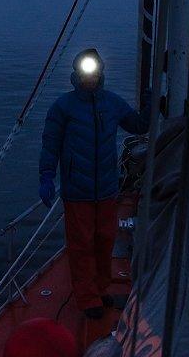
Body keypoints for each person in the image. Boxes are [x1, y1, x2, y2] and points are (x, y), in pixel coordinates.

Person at [38, 48, 147, 319]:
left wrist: (151, 101)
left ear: (100, 72)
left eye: (94, 71)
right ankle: (87, 298)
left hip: (107, 189)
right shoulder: (63, 108)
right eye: (85, 71)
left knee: (105, 240)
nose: (90, 77)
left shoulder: (112, 103)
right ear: (76, 74)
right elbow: (50, 145)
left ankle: (100, 288)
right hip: (78, 192)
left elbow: (137, 125)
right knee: (82, 244)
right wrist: (46, 176)